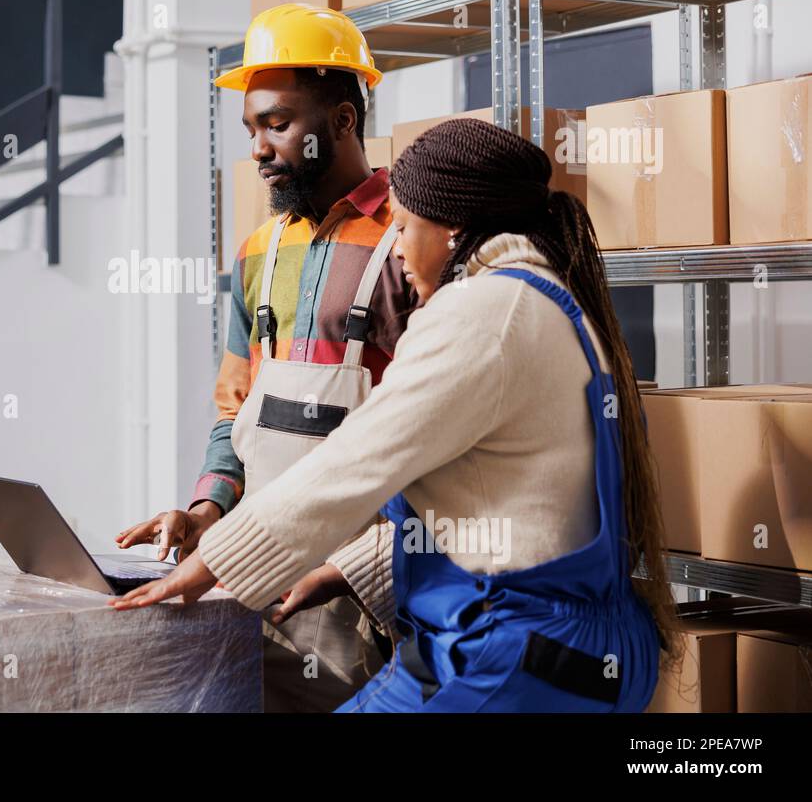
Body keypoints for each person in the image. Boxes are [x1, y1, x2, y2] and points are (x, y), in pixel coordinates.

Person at [113, 117, 682, 712]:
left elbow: (356, 462)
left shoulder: (482, 312)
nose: (401, 250)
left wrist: (215, 563)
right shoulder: (545, 301)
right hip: (573, 650)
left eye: (406, 226)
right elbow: (504, 504)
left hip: (514, 652)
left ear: (452, 229)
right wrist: (341, 569)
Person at [115, 4, 418, 711]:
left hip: (362, 592)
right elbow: (236, 408)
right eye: (251, 127)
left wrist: (366, 567)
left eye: (277, 123)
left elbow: (434, 436)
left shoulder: (408, 243)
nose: (256, 147)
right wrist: (206, 510)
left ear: (342, 121)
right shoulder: (257, 252)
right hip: (252, 573)